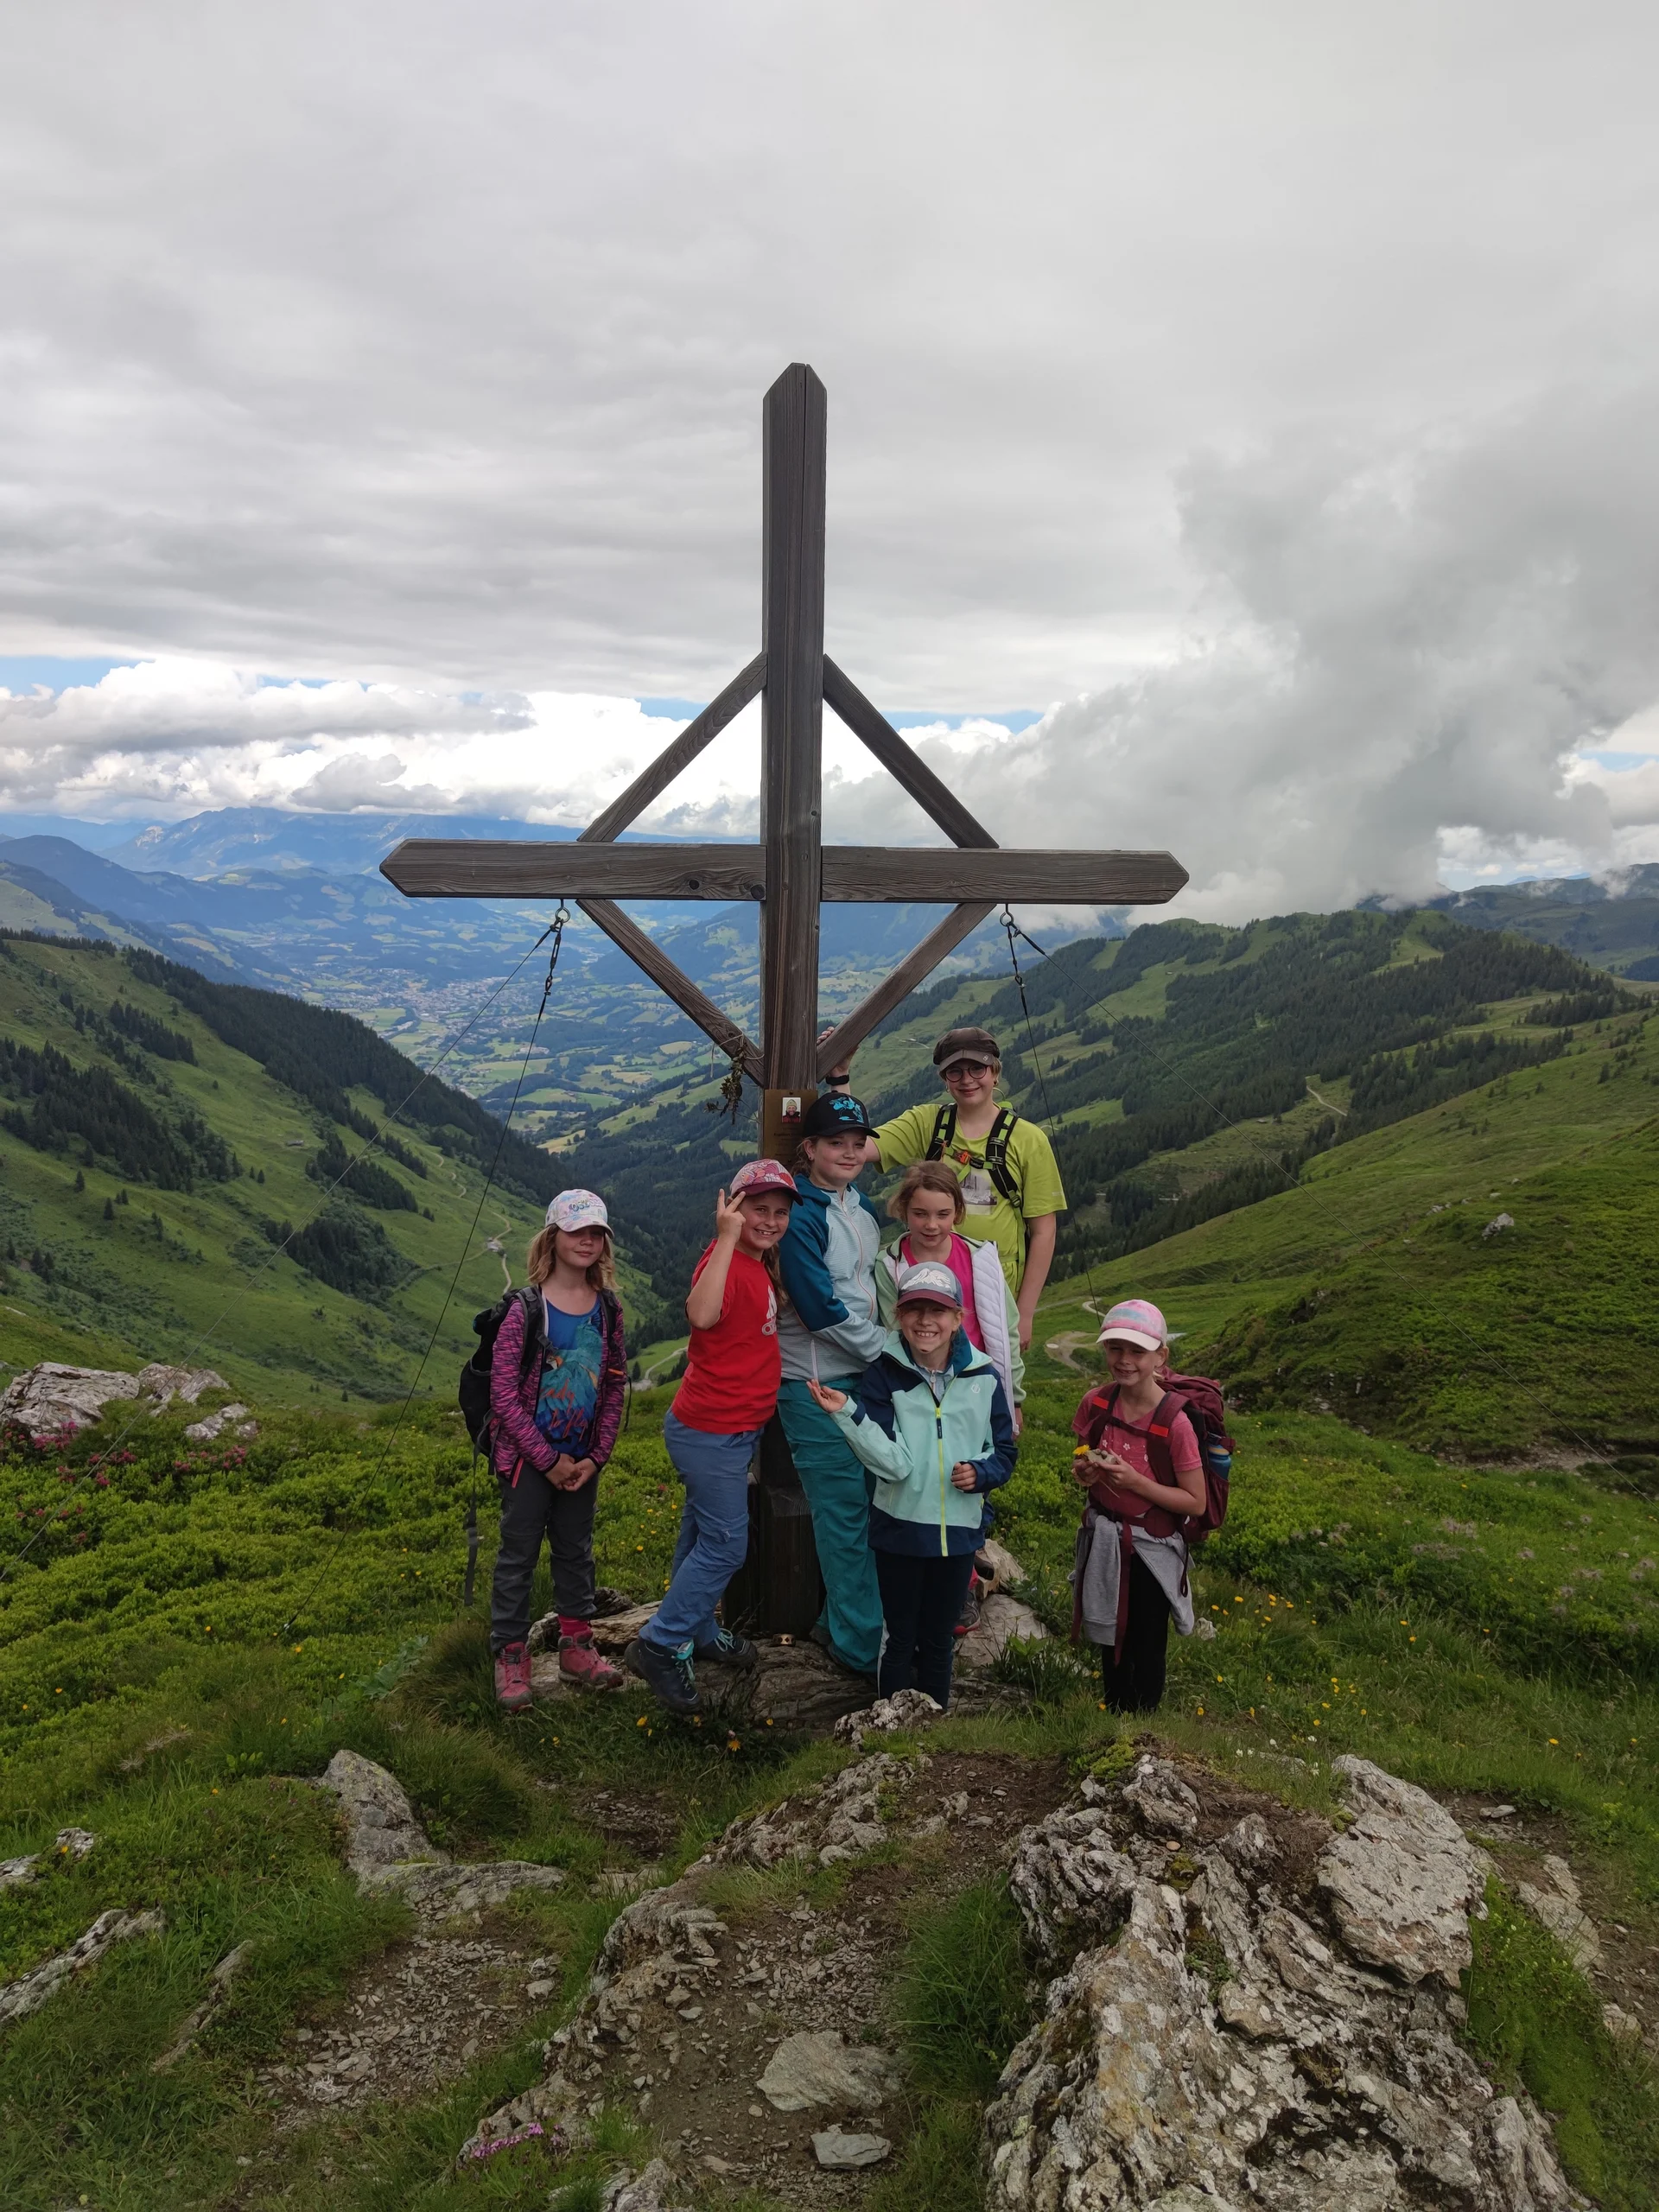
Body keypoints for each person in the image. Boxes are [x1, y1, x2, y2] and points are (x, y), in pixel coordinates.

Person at [626, 1160, 797, 1715]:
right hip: (711, 1431)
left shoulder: (754, 1260)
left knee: (700, 1535)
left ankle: (697, 1629)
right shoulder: (726, 1255)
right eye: (756, 1209)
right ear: (733, 1209)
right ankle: (660, 1642)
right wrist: (725, 1238)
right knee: (726, 1544)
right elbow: (700, 1315)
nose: (768, 1220)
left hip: (732, 1429)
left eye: (779, 1211)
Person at [806, 1260, 1016, 1711]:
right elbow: (894, 1466)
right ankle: (892, 1732)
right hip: (900, 1532)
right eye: (914, 1309)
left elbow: (1003, 1452)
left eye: (937, 1311)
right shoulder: (884, 1375)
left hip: (958, 1534)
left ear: (958, 1319)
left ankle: (931, 1735)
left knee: (939, 1640)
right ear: (898, 1316)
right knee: (900, 1638)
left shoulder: (984, 1378)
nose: (925, 1321)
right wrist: (849, 1414)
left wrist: (981, 1473)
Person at [823, 1025, 1065, 1352]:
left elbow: (1044, 1232)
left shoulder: (1028, 1140)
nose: (967, 1080)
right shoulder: (928, 1123)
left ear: (995, 1073)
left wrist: (1024, 1313)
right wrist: (839, 1079)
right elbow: (857, 1148)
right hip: (927, 1293)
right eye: (955, 1071)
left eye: (977, 1068)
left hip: (993, 1295)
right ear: (944, 1079)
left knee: (991, 1390)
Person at [489, 1190, 630, 1710]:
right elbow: (502, 1392)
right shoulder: (526, 1310)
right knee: (517, 1556)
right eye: (576, 1231)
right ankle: (510, 1655)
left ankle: (576, 1645)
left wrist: (596, 1456)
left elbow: (614, 1384)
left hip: (582, 1459)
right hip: (530, 1460)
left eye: (596, 1232)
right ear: (553, 1238)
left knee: (576, 1549)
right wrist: (546, 1460)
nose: (587, 1240)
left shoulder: (609, 1310)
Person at [877, 1159, 1026, 1632]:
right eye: (921, 1213)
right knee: (925, 1480)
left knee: (973, 1476)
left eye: (942, 1213)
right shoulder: (892, 1263)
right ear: (904, 1211)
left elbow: (1006, 1327)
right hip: (918, 1387)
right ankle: (923, 1583)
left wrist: (1012, 1390)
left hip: (975, 1387)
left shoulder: (979, 1257)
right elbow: (888, 1329)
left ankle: (960, 1583)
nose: (932, 1224)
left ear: (958, 1212)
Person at [774, 1090, 887, 1677]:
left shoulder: (857, 1209)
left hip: (857, 1380)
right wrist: (889, 1352)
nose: (848, 1152)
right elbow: (818, 1308)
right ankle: (862, 1650)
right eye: (833, 1143)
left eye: (856, 1143)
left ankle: (843, 1626)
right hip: (815, 1383)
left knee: (862, 1510)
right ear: (809, 1149)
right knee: (844, 1513)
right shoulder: (802, 1215)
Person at [1068, 1298, 1207, 1713]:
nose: (1124, 1360)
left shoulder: (1176, 1422)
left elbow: (1196, 1502)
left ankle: (1143, 1728)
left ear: (1160, 1356)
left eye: (1137, 1351)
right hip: (1104, 1537)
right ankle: (1114, 1718)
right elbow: (1081, 1454)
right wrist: (1085, 1473)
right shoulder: (1096, 1403)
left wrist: (1136, 1482)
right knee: (1111, 1636)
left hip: (1152, 1549)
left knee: (1147, 1641)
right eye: (1115, 1349)